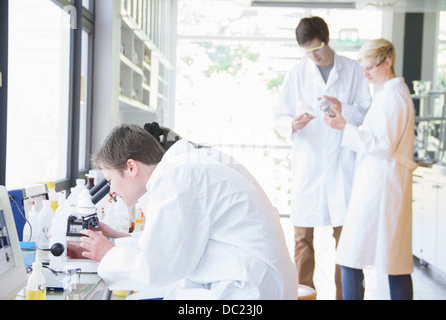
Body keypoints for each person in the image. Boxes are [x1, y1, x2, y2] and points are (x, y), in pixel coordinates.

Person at [78, 123, 298, 300]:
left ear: (131, 167)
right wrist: (120, 240)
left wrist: (109, 254)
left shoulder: (176, 177)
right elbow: (178, 245)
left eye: (110, 180)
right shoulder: (188, 165)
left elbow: (157, 270)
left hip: (246, 289)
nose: (112, 191)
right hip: (255, 279)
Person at [273, 16, 371, 299]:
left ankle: (347, 296)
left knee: (347, 239)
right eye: (307, 52)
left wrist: (344, 111)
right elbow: (279, 115)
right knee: (303, 238)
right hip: (309, 164)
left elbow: (365, 109)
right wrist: (292, 123)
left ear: (327, 41)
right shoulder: (297, 73)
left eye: (316, 49)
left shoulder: (352, 70)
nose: (313, 56)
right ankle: (304, 296)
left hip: (342, 165)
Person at [323, 38, 417, 300]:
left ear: (387, 62)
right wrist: (344, 116)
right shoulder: (387, 94)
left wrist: (344, 127)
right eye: (362, 68)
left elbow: (384, 146)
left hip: (382, 187)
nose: (364, 74)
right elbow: (374, 133)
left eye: (370, 68)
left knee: (354, 257)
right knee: (392, 263)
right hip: (378, 183)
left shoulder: (394, 95)